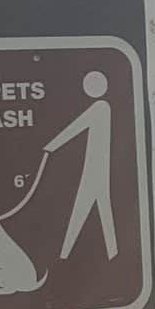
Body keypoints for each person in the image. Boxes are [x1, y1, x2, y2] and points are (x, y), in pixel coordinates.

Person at [43, 69, 120, 262]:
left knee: (84, 209)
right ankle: (112, 253)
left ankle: (65, 256)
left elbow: (76, 127)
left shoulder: (100, 107)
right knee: (99, 209)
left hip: (96, 169)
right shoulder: (102, 107)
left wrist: (52, 146)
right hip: (95, 168)